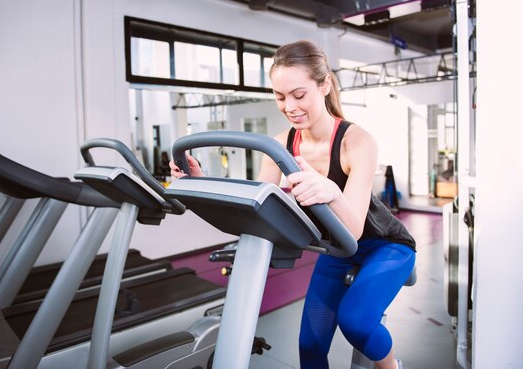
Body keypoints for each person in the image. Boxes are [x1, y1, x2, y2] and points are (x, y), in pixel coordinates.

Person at [170, 40, 416, 369]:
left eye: (299, 95)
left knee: (356, 322)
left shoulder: (357, 142)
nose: (289, 106)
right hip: (337, 251)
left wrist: (330, 191)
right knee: (310, 344)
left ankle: (389, 366)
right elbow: (256, 202)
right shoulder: (280, 145)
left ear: (325, 84)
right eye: (280, 97)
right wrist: (202, 181)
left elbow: (354, 228)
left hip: (385, 246)